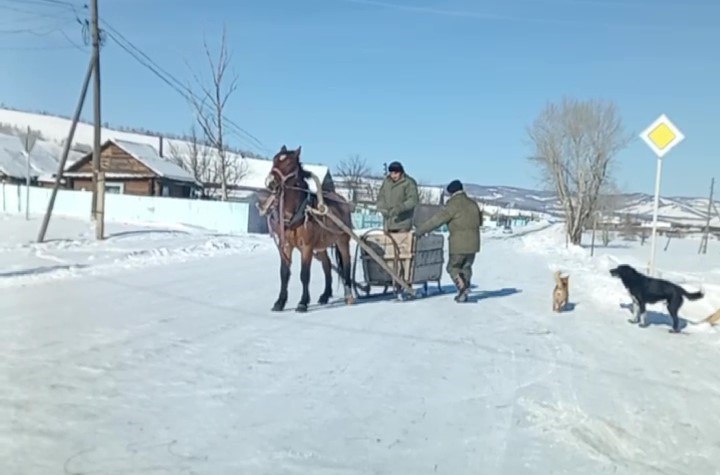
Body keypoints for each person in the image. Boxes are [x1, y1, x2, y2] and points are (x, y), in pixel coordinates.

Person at [415, 179, 482, 302]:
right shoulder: (473, 204)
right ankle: (465, 290)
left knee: (453, 267)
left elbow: (436, 220)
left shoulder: (453, 205)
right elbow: (480, 221)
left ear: (451, 193)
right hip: (474, 244)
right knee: (466, 267)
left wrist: (420, 230)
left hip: (458, 243)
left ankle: (462, 288)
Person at [375, 161, 419, 232]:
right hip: (388, 223)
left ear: (401, 172)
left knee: (401, 242)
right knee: (387, 242)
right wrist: (381, 207)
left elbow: (413, 200)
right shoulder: (387, 182)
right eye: (391, 173)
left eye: (396, 173)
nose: (393, 176)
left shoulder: (408, 183)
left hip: (402, 223)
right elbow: (381, 196)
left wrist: (401, 207)